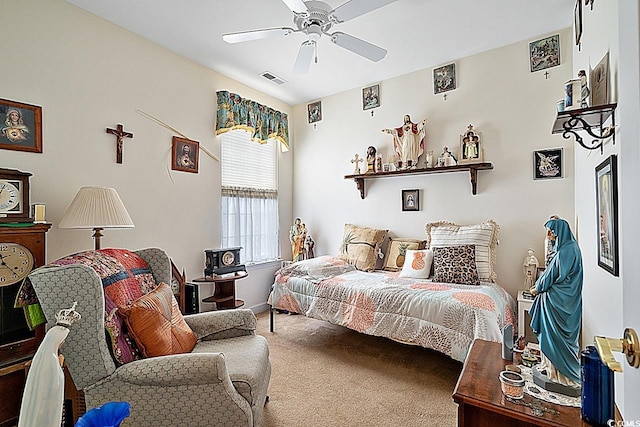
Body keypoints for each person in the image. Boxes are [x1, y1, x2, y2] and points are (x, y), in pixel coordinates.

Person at [529, 218, 583, 387]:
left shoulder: (566, 251)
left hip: (559, 301)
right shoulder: (569, 248)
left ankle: (559, 374)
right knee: (556, 336)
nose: (549, 235)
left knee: (554, 336)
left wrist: (537, 287)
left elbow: (551, 274)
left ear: (560, 231)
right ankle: (551, 368)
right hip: (565, 301)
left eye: (551, 231)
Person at [19, 303, 81, 427]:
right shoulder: (51, 359)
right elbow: (54, 383)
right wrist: (60, 365)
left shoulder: (43, 356)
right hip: (45, 405)